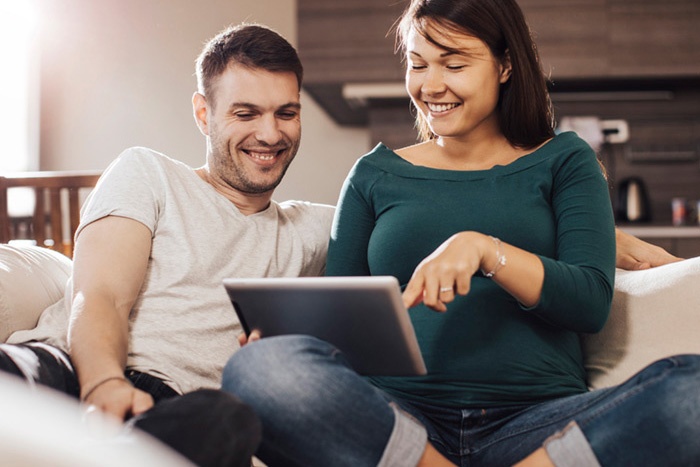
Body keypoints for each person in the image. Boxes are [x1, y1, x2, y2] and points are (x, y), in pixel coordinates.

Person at [221, 1, 700, 466]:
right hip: (399, 419)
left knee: (691, 390)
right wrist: (287, 347)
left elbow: (589, 302)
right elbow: (343, 328)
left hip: (536, 423)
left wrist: (485, 250)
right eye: (417, 64)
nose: (431, 85)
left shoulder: (565, 160)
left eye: (453, 64)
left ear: (505, 65)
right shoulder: (374, 174)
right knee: (257, 369)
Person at [0, 23, 334, 467]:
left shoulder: (315, 229)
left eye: (286, 113)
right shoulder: (149, 173)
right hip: (68, 367)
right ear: (203, 113)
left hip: (175, 410)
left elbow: (417, 217)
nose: (270, 134)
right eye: (246, 113)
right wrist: (104, 386)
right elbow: (100, 294)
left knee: (229, 421)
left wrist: (461, 242)